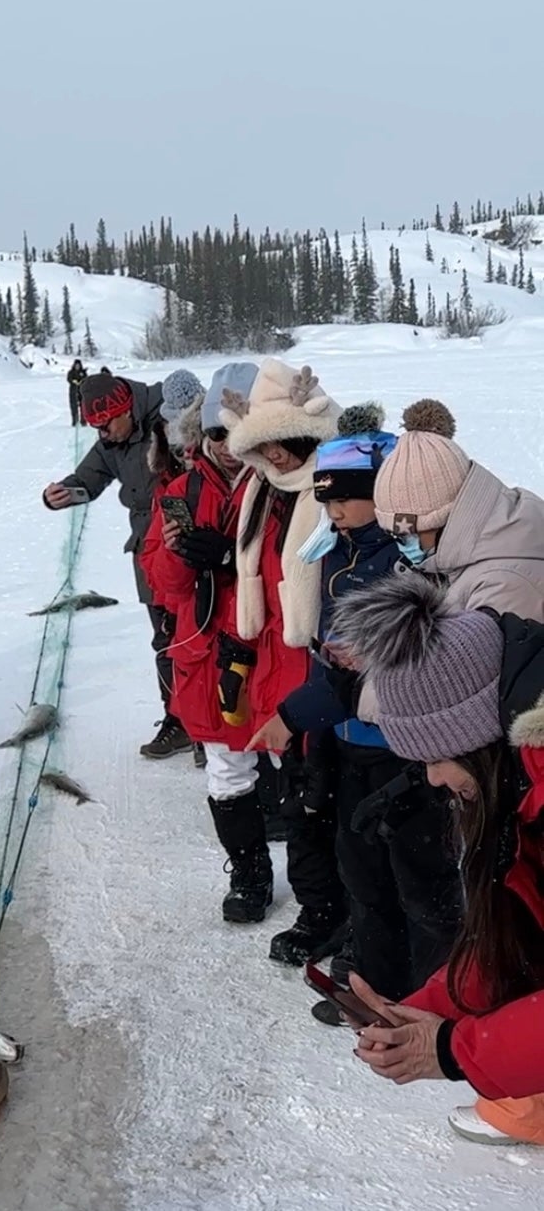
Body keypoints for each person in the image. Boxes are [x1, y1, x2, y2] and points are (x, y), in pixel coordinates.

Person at [250, 407, 463, 990]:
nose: (333, 509)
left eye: (346, 496)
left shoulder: (406, 560)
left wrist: (294, 714)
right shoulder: (335, 551)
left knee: (419, 874)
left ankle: (432, 990)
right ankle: (374, 976)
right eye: (325, 499)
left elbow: (383, 668)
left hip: (404, 745)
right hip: (346, 738)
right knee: (361, 865)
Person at [331, 569, 544, 1146]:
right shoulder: (523, 791)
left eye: (437, 757)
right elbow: (523, 944)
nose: (432, 779)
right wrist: (429, 1008)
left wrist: (452, 1048)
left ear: (480, 738)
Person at [207, 359, 343, 926]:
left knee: (324, 797)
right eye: (260, 447)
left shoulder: (338, 488)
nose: (274, 456)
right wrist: (236, 653)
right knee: (295, 795)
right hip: (269, 662)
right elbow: (246, 578)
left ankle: (335, 912)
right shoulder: (259, 492)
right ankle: (318, 908)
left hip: (322, 667)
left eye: (281, 443)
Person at [147, 362, 263, 896]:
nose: (226, 445)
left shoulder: (286, 486)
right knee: (227, 771)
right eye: (216, 432)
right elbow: (163, 583)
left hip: (275, 647)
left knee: (306, 773)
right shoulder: (182, 491)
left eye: (237, 432)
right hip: (213, 648)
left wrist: (232, 560)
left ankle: (320, 893)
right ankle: (249, 873)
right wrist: (178, 554)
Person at [43, 370, 200, 759]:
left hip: (192, 534)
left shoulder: (169, 411)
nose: (102, 433)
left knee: (201, 633)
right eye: (95, 426)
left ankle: (208, 725)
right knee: (165, 638)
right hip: (148, 545)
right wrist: (63, 494)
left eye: (106, 423)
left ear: (125, 408)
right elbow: (88, 479)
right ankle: (179, 722)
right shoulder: (111, 439)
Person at [375, 398, 544, 618]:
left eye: (409, 533)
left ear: (444, 519)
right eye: (395, 535)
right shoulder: (455, 565)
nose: (404, 545)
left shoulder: (502, 587)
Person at [66, 357, 86, 425]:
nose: (77, 367)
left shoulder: (83, 372)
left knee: (83, 406)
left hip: (82, 391)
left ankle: (83, 421)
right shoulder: (71, 372)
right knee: (74, 406)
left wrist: (82, 381)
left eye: (78, 365)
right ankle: (75, 420)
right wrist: (73, 381)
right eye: (76, 365)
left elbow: (86, 379)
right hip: (73, 391)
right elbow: (69, 378)